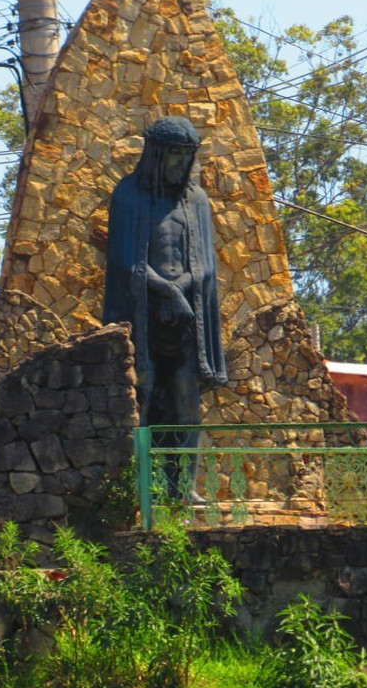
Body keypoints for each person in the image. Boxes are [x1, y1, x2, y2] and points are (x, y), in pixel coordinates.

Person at [102, 116, 226, 499]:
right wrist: (165, 292)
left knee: (186, 403)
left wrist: (183, 289)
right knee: (144, 396)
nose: (181, 165)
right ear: (156, 155)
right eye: (174, 156)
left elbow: (204, 263)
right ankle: (146, 487)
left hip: (187, 320)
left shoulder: (197, 200)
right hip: (144, 315)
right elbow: (123, 260)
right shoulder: (128, 195)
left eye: (187, 157)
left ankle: (183, 489)